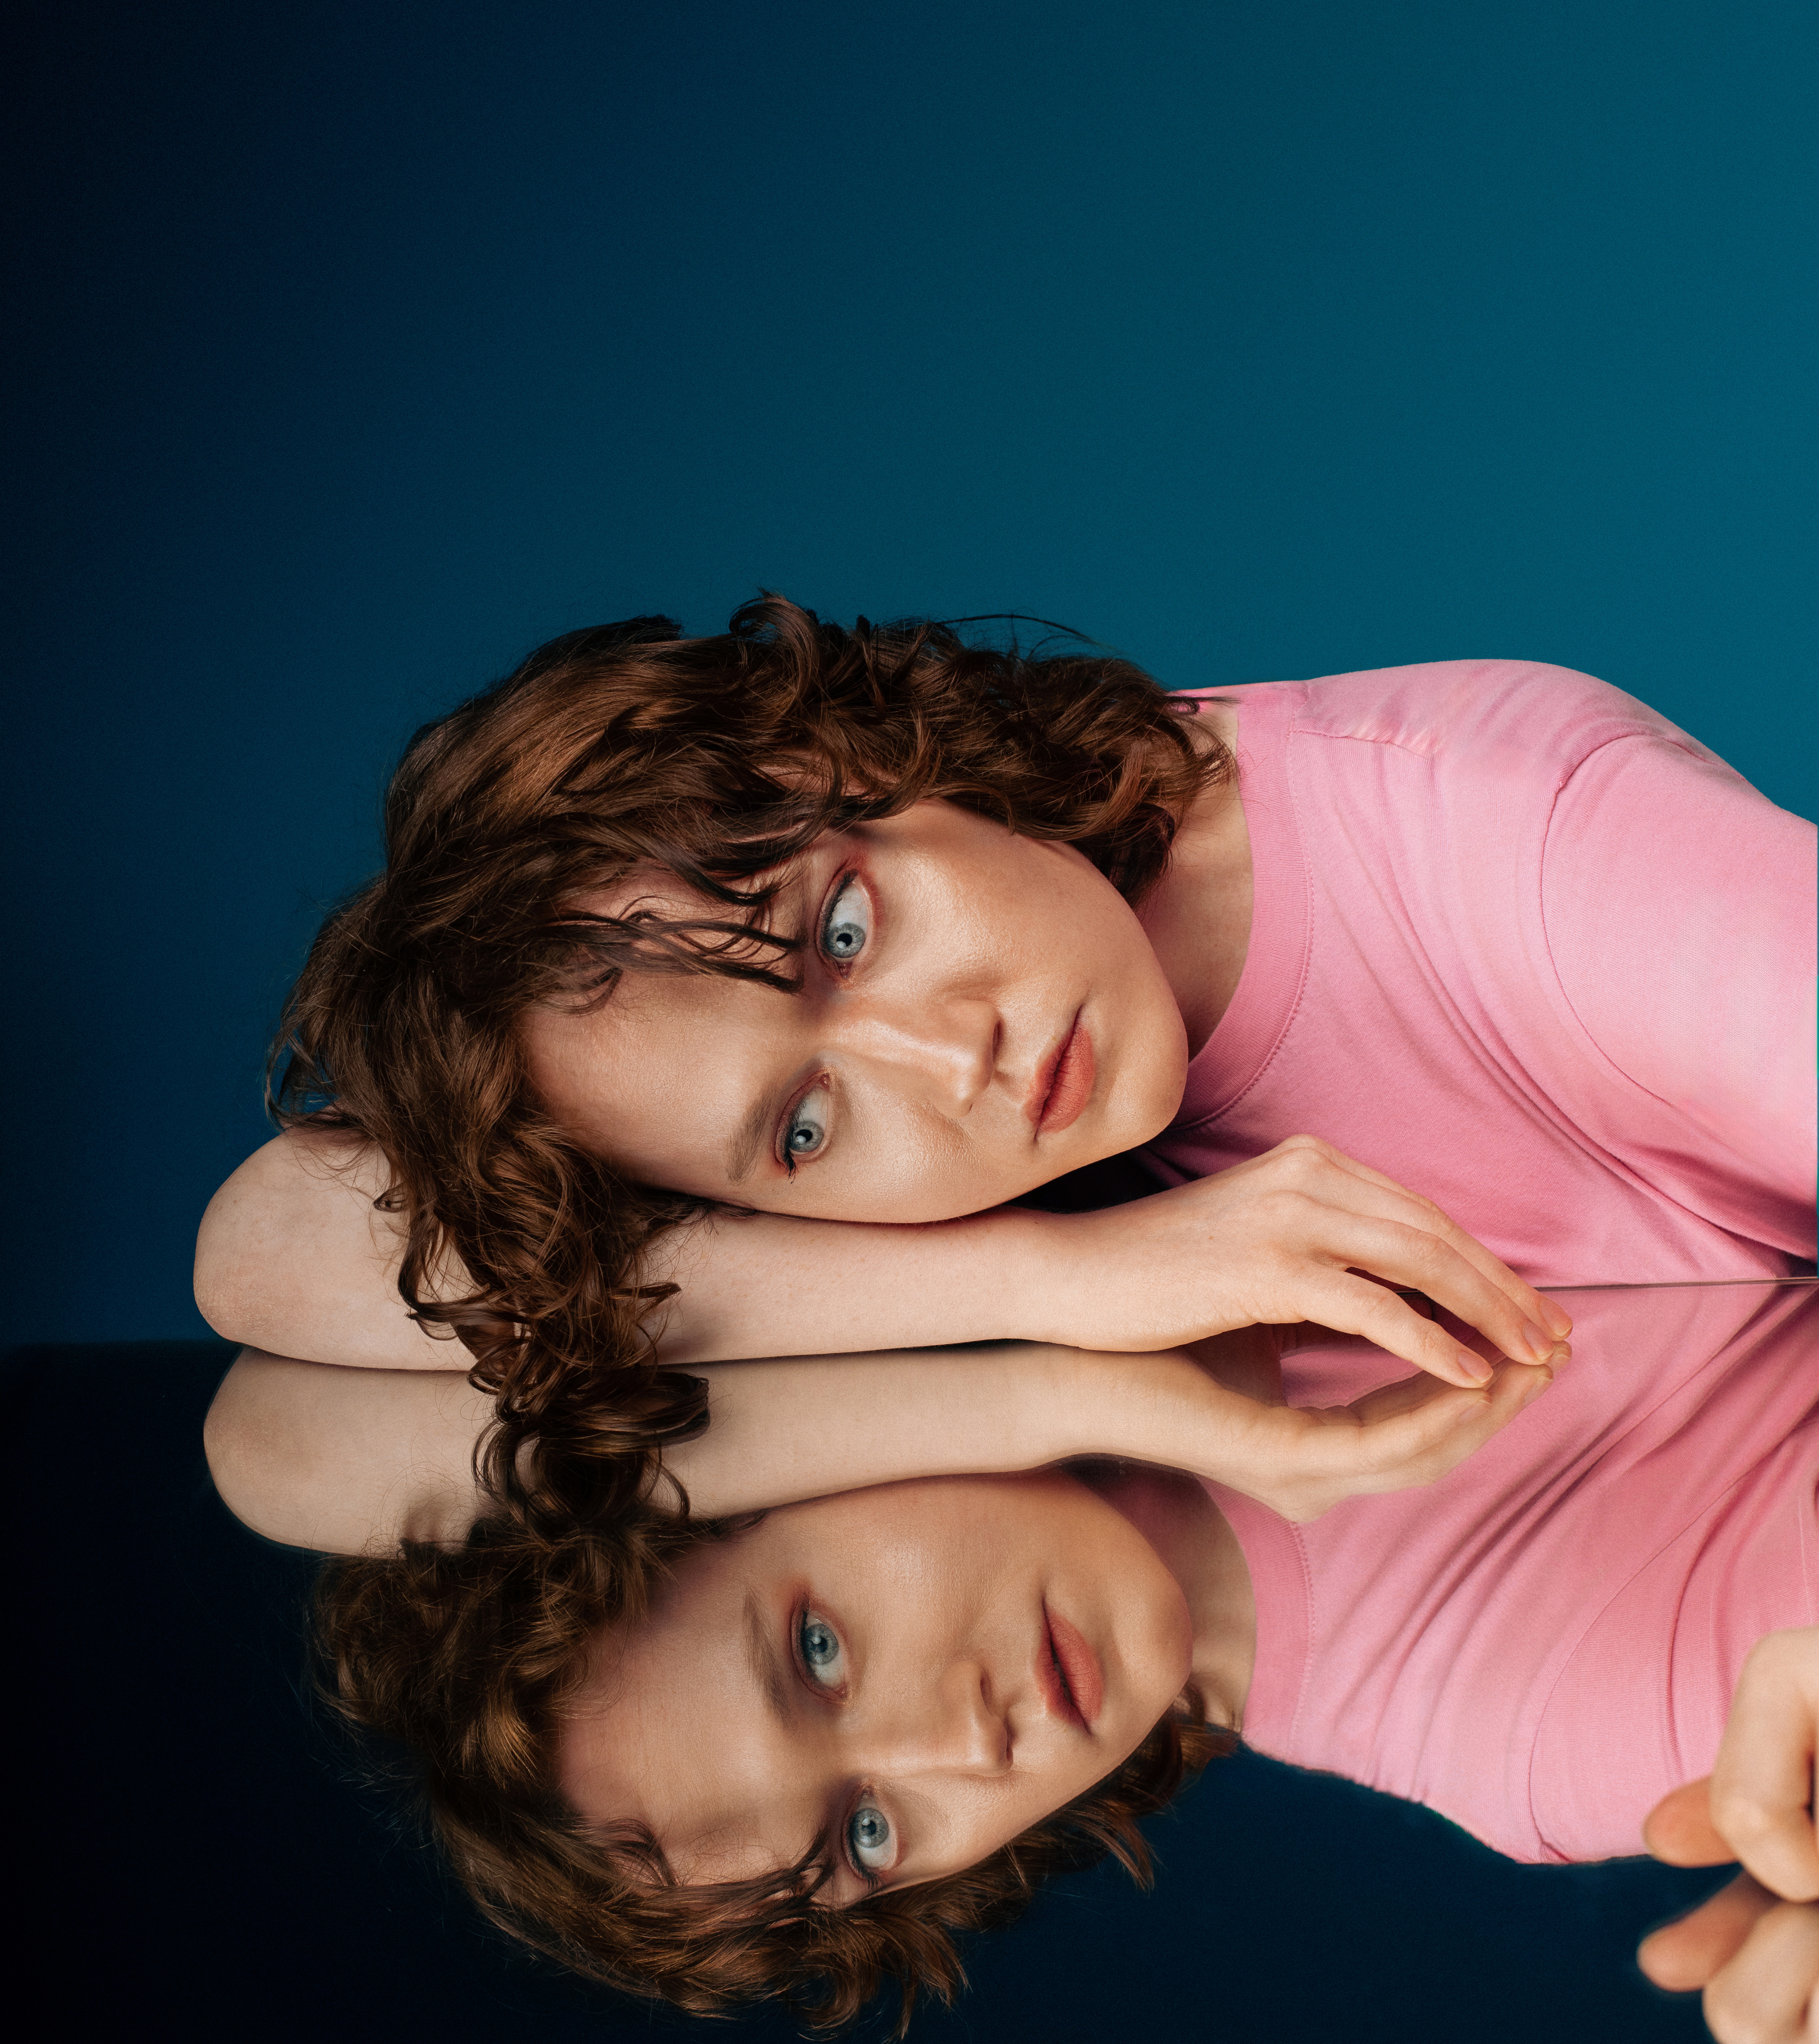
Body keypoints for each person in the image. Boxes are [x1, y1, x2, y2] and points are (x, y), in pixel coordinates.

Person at [194, 594, 1814, 1535]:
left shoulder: (1507, 846)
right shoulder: (1033, 1195)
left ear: (869, 760)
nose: (937, 1058)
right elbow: (267, 1253)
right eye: (807, 1125)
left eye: (839, 933)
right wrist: (1049, 1279)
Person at [204, 1278, 1817, 2044]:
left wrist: (1024, 1341)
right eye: (869, 1839)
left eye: (819, 1655)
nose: (954, 1748)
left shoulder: (1158, 1115)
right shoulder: (1500, 1730)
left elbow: (266, 1404)